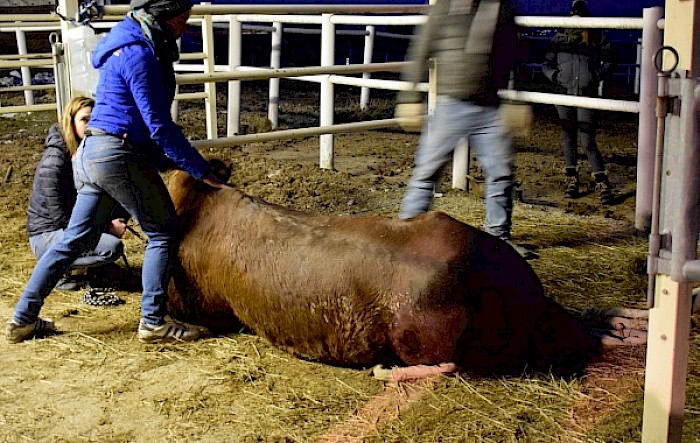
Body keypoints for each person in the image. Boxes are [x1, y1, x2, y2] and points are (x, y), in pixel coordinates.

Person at [6, 0, 226, 344]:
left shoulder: (125, 44)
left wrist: (171, 161)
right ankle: (154, 321)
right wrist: (198, 168)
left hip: (93, 153)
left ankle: (23, 318)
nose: (186, 25)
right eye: (183, 17)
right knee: (163, 232)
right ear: (163, 17)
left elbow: (137, 119)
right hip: (117, 154)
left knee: (71, 242)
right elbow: (158, 125)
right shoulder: (140, 54)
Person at [395, 0, 537, 260]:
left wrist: (516, 100)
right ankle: (406, 237)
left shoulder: (501, 9)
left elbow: (515, 55)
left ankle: (499, 241)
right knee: (427, 171)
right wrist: (408, 96)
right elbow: (421, 51)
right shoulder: (444, 8)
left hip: (490, 107)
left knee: (501, 174)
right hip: (451, 105)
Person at [27, 96, 128, 291]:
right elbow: (59, 218)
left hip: (70, 225)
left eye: (94, 119)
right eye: (84, 119)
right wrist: (105, 228)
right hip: (47, 233)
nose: (90, 125)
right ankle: (53, 271)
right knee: (111, 247)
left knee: (121, 206)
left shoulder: (87, 150)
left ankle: (98, 270)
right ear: (70, 122)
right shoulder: (55, 160)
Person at [541, 0, 614, 204]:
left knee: (587, 139)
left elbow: (610, 61)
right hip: (563, 93)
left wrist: (594, 76)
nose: (576, 20)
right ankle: (572, 180)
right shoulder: (559, 38)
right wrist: (555, 76)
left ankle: (601, 181)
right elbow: (546, 64)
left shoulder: (596, 37)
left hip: (585, 93)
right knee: (568, 136)